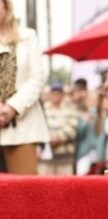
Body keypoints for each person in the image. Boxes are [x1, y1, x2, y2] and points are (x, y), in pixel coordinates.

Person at [0, 0, 50, 175]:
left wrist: (12, 107)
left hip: (23, 128)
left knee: (24, 195)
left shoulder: (27, 36)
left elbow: (37, 78)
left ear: (6, 7)